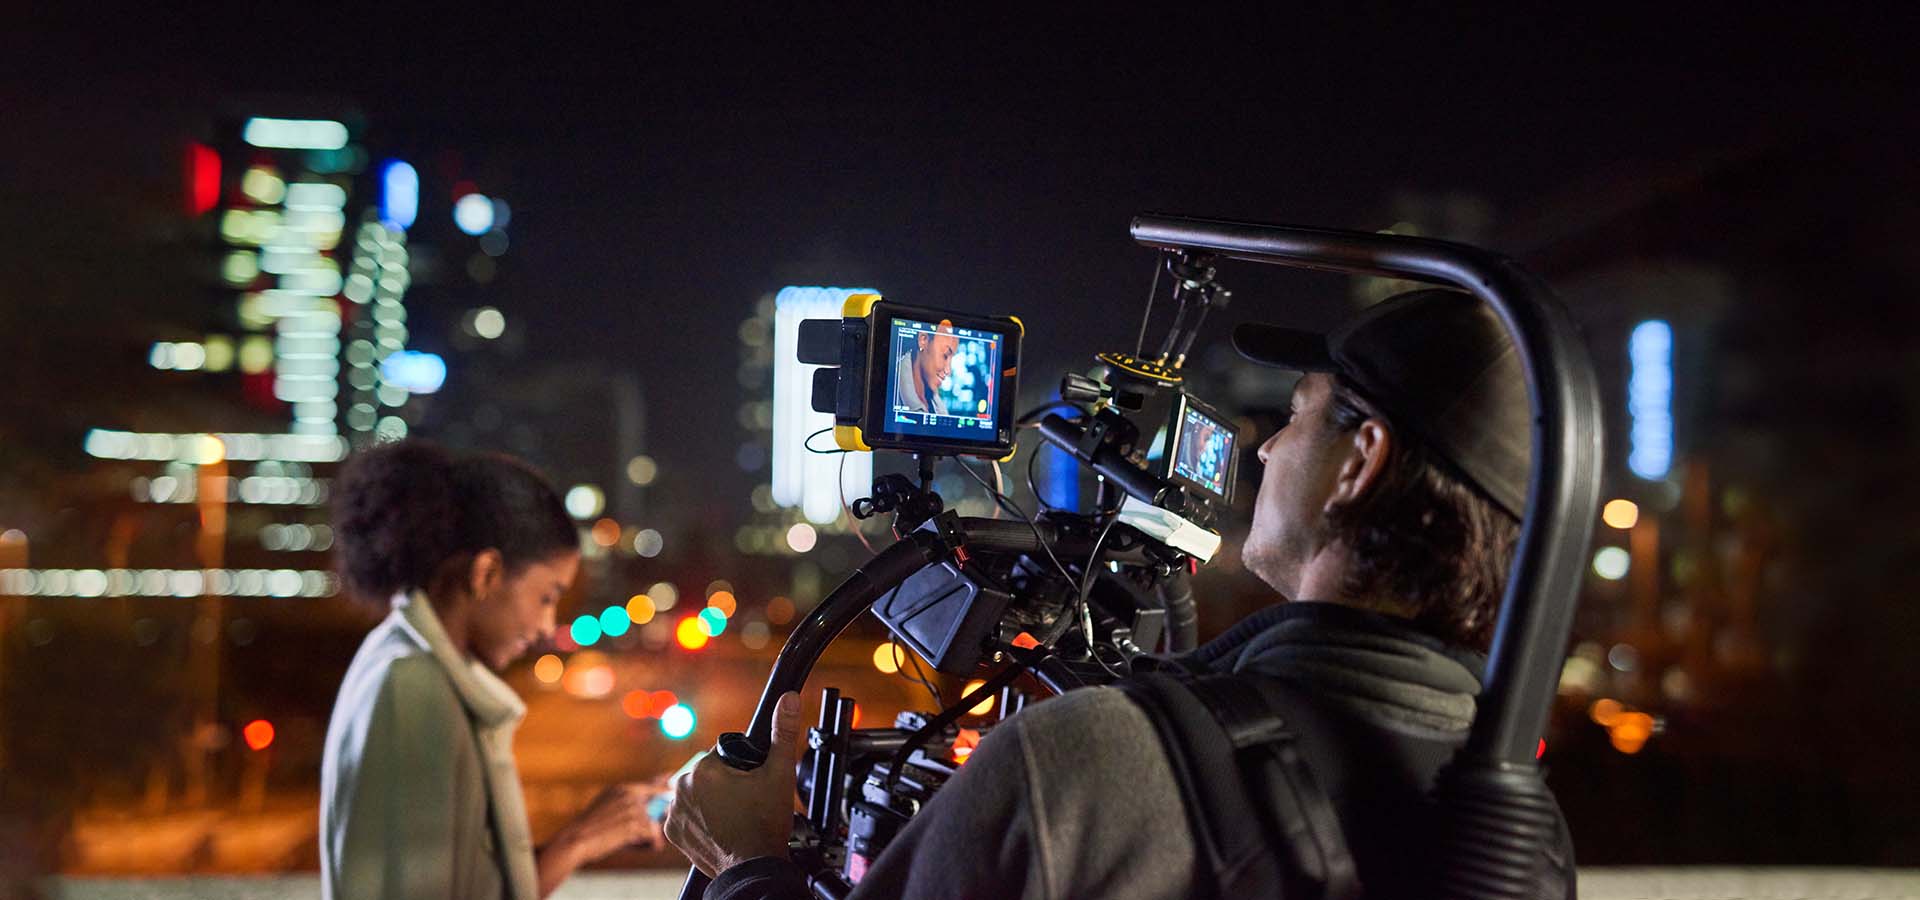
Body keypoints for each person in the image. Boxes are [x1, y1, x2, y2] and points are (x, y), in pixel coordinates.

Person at [665, 289, 1574, 899]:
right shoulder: (1521, 825)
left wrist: (748, 863)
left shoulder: (1097, 763)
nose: (1261, 450)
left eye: (1294, 415)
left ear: (1361, 462)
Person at [321, 440, 665, 900]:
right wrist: (579, 841)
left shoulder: (417, 667)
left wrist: (584, 838)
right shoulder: (411, 687)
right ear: (486, 574)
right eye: (547, 596)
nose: (547, 626)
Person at [893, 321, 959, 415]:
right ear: (923, 340)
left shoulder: (940, 409)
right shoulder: (889, 385)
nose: (948, 371)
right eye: (945, 355)